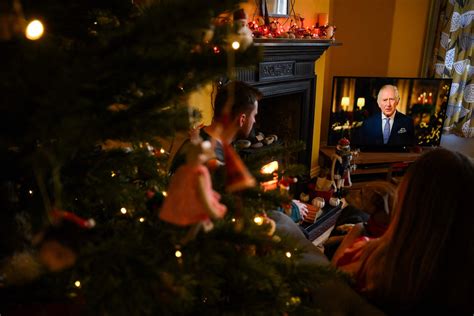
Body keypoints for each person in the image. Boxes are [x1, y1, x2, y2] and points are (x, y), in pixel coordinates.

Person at [331, 148, 474, 314]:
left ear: (407, 204)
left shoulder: (363, 258)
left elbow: (329, 279)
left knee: (352, 214)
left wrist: (357, 230)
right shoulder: (463, 291)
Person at [168, 80, 261, 174]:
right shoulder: (213, 161)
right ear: (242, 119)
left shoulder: (203, 137)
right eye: (254, 115)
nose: (254, 121)